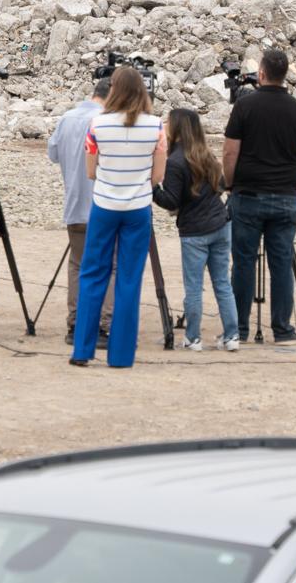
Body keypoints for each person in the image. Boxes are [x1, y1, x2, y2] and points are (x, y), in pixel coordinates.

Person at [67, 66, 167, 369]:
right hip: (137, 208)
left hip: (104, 205)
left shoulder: (98, 125)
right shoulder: (156, 126)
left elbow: (90, 171)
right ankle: (121, 354)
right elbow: (157, 175)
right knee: (128, 278)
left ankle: (82, 349)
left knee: (92, 273)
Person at [225, 48, 296, 347]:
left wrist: (229, 183)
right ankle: (283, 328)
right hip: (286, 196)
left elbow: (230, 151)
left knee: (243, 263)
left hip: (248, 194)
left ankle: (238, 328)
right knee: (281, 262)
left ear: (261, 74)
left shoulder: (245, 107)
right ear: (285, 74)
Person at [153, 107, 234, 351]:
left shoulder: (176, 161)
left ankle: (193, 337)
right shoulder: (207, 155)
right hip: (220, 223)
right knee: (222, 282)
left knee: (194, 286)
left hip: (195, 231)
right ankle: (232, 335)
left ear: (176, 128)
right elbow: (220, 187)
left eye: (168, 122)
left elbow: (172, 201)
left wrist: (153, 188)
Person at [46, 79, 114, 347]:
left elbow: (53, 154)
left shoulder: (67, 118)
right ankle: (104, 326)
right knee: (107, 266)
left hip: (75, 203)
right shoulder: (108, 121)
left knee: (77, 265)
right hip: (105, 205)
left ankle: (75, 323)